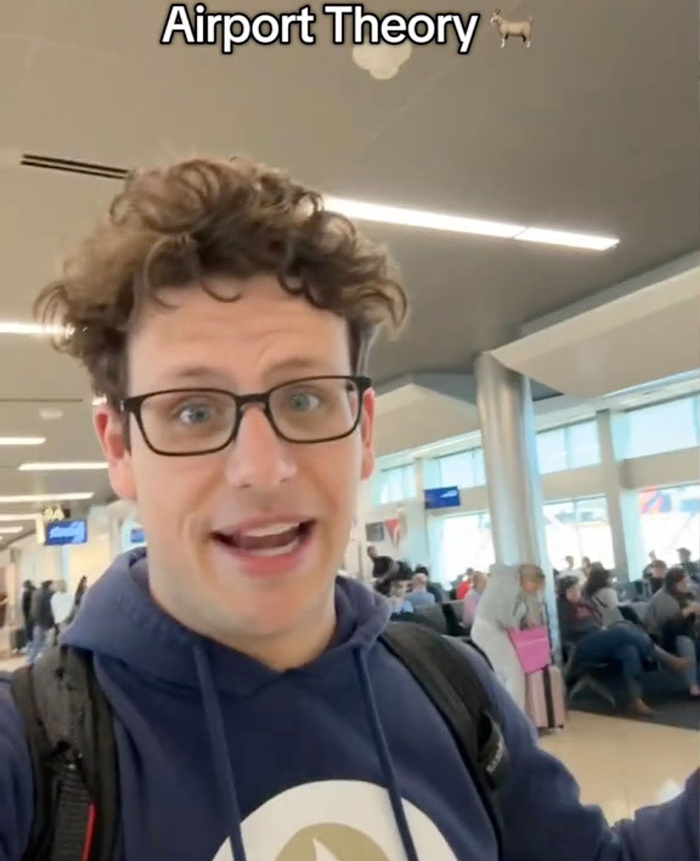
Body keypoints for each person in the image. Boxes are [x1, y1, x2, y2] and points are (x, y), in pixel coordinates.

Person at [0, 156, 697, 861]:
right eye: (193, 410)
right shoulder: (32, 754)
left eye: (304, 399)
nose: (262, 470)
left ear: (364, 431)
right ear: (120, 447)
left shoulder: (450, 688)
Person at [558, 576, 690, 716]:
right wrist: (596, 629)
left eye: (577, 588)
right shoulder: (561, 607)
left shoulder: (586, 603)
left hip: (599, 638)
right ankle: (668, 659)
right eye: (571, 590)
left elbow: (599, 621)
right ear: (563, 592)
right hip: (580, 645)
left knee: (629, 650)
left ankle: (636, 700)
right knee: (623, 631)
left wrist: (601, 629)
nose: (575, 592)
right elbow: (568, 631)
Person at [470, 564, 545, 709]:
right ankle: (516, 717)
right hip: (489, 629)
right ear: (528, 579)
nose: (535, 590)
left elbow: (529, 609)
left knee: (503, 674)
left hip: (487, 628)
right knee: (514, 674)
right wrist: (521, 622)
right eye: (535, 586)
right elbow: (506, 617)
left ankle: (505, 714)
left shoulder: (509, 582)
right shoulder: (508, 586)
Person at [644, 567, 700, 698]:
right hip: (661, 639)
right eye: (683, 583)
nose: (687, 585)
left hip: (684, 632)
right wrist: (686, 612)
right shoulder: (663, 599)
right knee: (685, 641)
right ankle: (693, 686)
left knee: (688, 638)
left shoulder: (684, 595)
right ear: (674, 584)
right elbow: (669, 629)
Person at [27, 581, 54, 665]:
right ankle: (45, 662)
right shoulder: (51, 594)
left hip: (38, 622)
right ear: (49, 585)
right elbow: (51, 609)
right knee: (48, 644)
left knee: (37, 643)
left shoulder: (36, 593)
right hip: (47, 622)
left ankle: (31, 661)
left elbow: (33, 610)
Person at [20, 581, 35, 646]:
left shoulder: (26, 593)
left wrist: (25, 615)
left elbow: (24, 606)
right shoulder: (36, 591)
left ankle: (30, 642)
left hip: (28, 614)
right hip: (35, 614)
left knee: (29, 629)